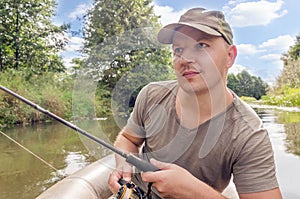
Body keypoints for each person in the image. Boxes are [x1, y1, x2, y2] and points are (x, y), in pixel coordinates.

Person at [108, 7, 282, 199]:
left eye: (201, 45)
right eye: (179, 50)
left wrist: (194, 192)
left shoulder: (249, 135)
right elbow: (128, 139)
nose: (185, 59)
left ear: (230, 56)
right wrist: (125, 166)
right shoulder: (151, 95)